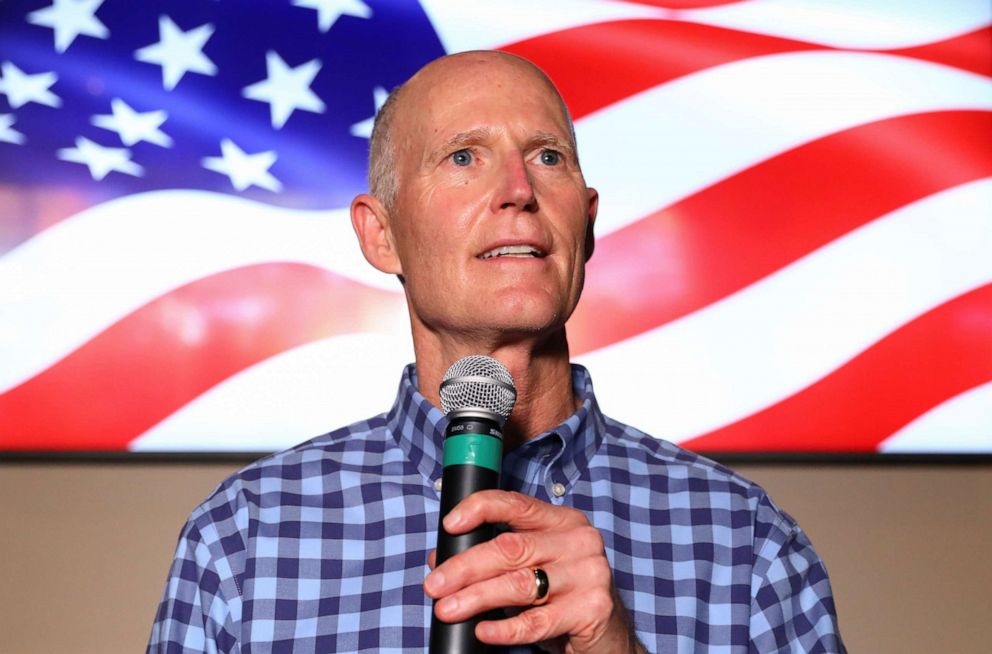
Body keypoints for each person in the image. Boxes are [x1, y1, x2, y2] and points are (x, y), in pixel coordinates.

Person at [148, 51, 845, 653]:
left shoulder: (745, 541)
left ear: (587, 221)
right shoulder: (246, 537)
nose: (518, 192)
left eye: (548, 157)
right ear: (380, 235)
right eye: (462, 157)